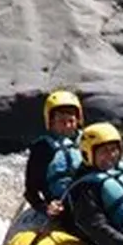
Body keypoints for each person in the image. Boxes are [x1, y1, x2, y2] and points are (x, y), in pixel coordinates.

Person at [24, 90, 83, 220]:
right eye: (62, 121)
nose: (68, 126)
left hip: (90, 202)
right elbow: (30, 192)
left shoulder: (88, 141)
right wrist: (46, 208)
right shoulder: (43, 148)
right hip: (63, 207)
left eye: (71, 121)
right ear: (51, 122)